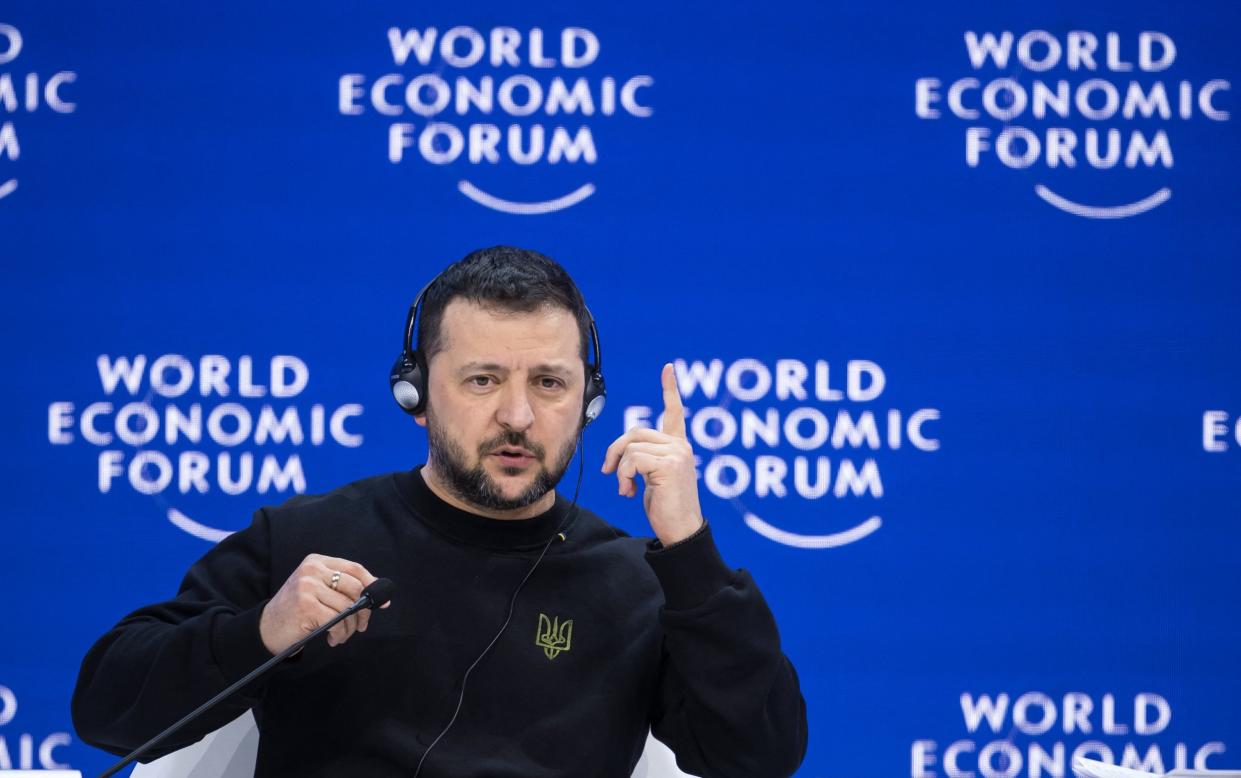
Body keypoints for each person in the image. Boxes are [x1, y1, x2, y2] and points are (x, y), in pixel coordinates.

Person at [72, 246, 808, 777]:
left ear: (589, 404)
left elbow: (757, 755)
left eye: (549, 383)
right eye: (482, 380)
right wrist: (261, 632)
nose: (517, 415)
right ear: (416, 397)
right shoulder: (305, 540)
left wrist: (687, 545)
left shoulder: (638, 582)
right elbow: (106, 709)